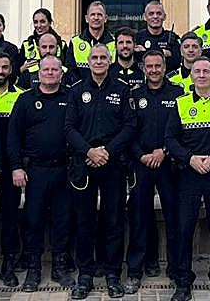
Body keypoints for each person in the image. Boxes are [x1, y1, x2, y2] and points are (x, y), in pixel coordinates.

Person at [164, 57, 210, 301]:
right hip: (189, 175)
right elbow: (170, 139)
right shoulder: (181, 103)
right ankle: (183, 282)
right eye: (197, 71)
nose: (202, 75)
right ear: (191, 75)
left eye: (206, 71)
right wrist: (190, 158)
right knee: (184, 228)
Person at [66, 44, 136, 299]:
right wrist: (89, 152)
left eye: (103, 58)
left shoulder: (122, 89)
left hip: (113, 163)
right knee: (84, 221)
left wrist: (107, 150)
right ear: (88, 61)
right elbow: (69, 128)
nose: (98, 61)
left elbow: (130, 126)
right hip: (84, 164)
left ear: (110, 60)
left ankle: (112, 273)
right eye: (94, 58)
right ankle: (85, 273)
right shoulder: (76, 91)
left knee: (114, 220)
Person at [9, 55, 76, 290]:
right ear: (38, 73)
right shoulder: (26, 99)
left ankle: (59, 267)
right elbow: (13, 136)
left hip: (63, 170)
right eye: (45, 69)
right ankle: (33, 269)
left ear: (61, 73)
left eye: (54, 69)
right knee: (33, 221)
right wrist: (16, 166)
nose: (49, 73)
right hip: (35, 171)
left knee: (62, 220)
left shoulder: (71, 97)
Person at [125, 50, 183, 293]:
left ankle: (176, 267)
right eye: (149, 66)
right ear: (143, 68)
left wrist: (164, 152)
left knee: (174, 217)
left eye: (158, 65)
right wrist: (142, 155)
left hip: (169, 163)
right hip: (142, 163)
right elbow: (129, 130)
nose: (154, 70)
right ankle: (136, 270)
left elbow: (181, 131)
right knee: (139, 217)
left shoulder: (178, 93)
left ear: (164, 66)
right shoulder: (134, 95)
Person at [0, 52, 24, 287]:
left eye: (4, 67)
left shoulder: (21, 97)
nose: (0, 71)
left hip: (11, 167)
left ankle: (10, 260)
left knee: (10, 215)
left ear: (11, 70)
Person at [66, 1, 117, 82]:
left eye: (99, 15)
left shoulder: (114, 43)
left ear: (105, 18)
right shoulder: (75, 42)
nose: (96, 18)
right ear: (86, 18)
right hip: (81, 91)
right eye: (93, 14)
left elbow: (115, 70)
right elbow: (70, 70)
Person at [134, 0, 181, 73]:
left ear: (164, 17)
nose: (155, 16)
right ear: (144, 17)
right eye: (151, 14)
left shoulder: (172, 37)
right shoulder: (137, 38)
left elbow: (176, 62)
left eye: (159, 13)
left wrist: (145, 52)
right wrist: (163, 52)